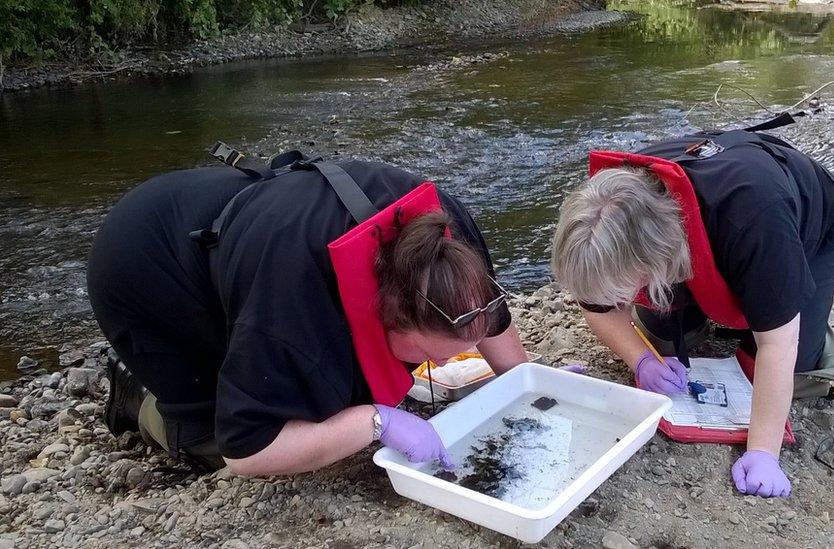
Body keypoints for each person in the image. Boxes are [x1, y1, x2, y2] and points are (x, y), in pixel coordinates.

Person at [87, 148, 529, 475]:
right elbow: (248, 451)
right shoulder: (299, 313)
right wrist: (378, 420)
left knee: (320, 392)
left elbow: (485, 316)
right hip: (143, 263)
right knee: (212, 444)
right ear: (391, 316)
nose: (448, 361)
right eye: (433, 355)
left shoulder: (449, 232)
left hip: (250, 225)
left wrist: (528, 380)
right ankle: (136, 396)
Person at [550, 127, 834, 498]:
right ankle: (727, 303)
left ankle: (797, 313)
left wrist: (763, 451)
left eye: (623, 292)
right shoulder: (605, 217)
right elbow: (596, 306)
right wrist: (642, 360)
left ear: (654, 261)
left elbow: (777, 345)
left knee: (793, 367)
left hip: (811, 227)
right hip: (691, 239)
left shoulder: (755, 218)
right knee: (663, 340)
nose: (618, 301)